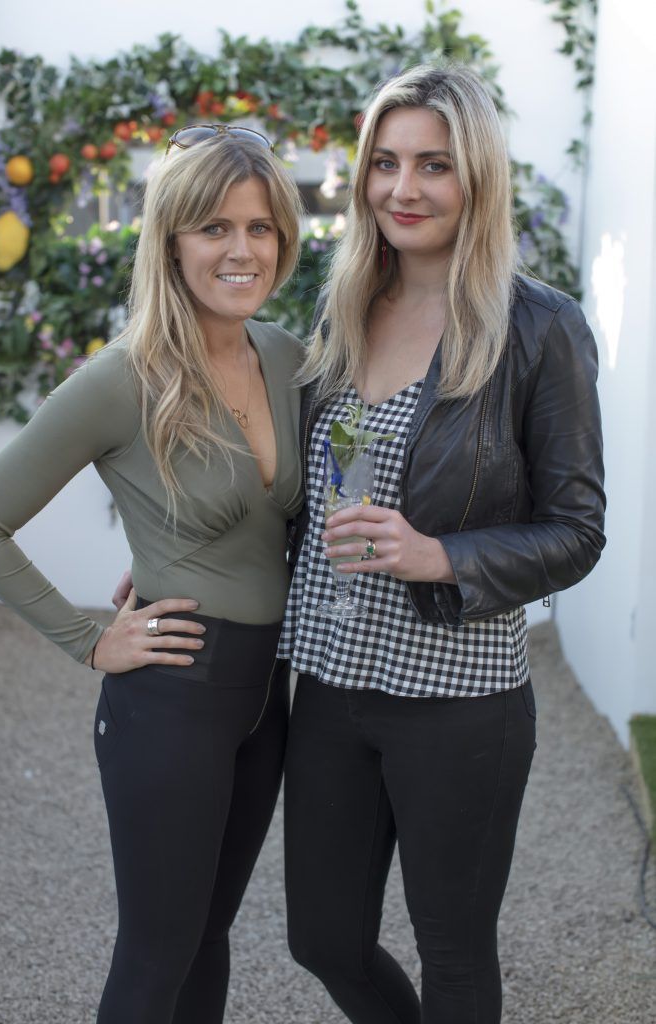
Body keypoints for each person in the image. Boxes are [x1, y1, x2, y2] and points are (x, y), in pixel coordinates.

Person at [278, 63, 605, 1024]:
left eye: (432, 165)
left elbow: (577, 529)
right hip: (332, 684)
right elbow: (299, 495)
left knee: (454, 956)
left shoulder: (537, 328)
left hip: (459, 702)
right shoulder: (339, 309)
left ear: (478, 178)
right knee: (323, 938)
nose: (402, 190)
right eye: (383, 163)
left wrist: (443, 558)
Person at [0, 125, 304, 1023]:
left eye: (261, 226)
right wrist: (89, 639)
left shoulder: (287, 357)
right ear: (169, 240)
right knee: (155, 955)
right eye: (213, 228)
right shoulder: (124, 378)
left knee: (208, 938)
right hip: (172, 699)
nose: (242, 249)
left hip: (266, 696)